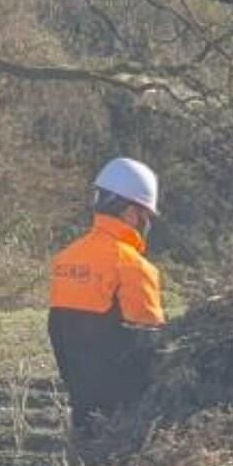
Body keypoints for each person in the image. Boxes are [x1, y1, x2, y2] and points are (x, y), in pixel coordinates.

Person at [47, 157, 166, 431]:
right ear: (129, 213)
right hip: (122, 412)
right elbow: (150, 344)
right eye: (145, 215)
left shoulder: (65, 259)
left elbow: (58, 330)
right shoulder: (134, 267)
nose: (146, 223)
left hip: (82, 403)